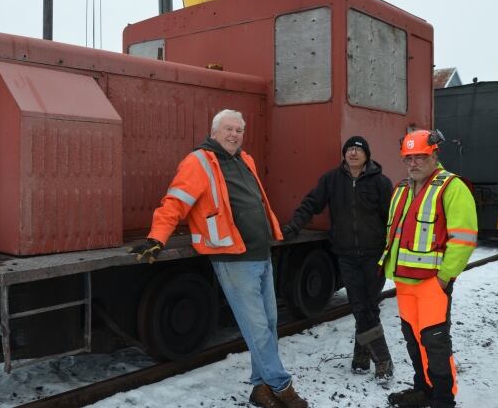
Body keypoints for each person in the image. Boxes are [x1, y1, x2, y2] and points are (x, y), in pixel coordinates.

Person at [130, 109, 309, 408]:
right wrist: (156, 238)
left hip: (261, 254)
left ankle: (260, 388)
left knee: (269, 323)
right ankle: (281, 385)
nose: (234, 135)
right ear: (214, 132)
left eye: (239, 130)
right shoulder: (198, 161)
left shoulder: (244, 159)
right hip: (233, 258)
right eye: (228, 129)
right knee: (257, 327)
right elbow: (175, 201)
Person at [281, 135, 394, 380]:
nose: (353, 153)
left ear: (367, 155)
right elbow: (311, 204)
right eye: (349, 149)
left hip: (374, 255)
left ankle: (365, 357)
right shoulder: (331, 180)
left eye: (358, 149)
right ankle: (379, 359)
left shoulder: (381, 183)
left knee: (369, 306)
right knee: (359, 306)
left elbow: (393, 218)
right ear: (344, 154)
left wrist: (392, 249)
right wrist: (293, 227)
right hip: (347, 255)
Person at [380, 129, 477, 408]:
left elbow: (464, 238)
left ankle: (443, 400)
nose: (413, 163)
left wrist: (445, 278)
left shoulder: (452, 187)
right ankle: (424, 389)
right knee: (413, 340)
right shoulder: (401, 189)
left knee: (434, 343)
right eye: (408, 158)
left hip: (433, 283)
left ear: (435, 155)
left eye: (420, 157)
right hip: (404, 283)